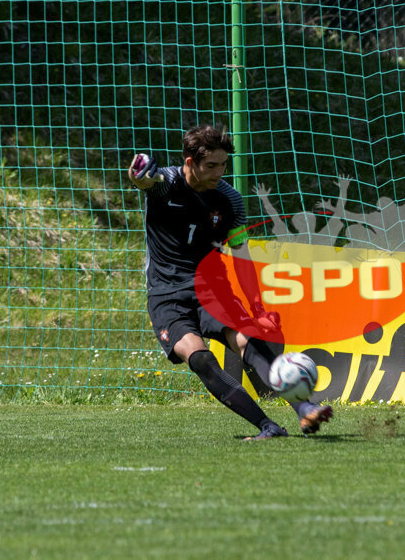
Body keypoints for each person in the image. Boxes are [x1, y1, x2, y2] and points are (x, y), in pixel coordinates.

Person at [129, 125, 334, 438]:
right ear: (189, 162)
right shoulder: (165, 184)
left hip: (211, 289)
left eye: (222, 165)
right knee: (197, 356)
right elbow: (144, 179)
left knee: (246, 341)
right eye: (210, 165)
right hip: (166, 293)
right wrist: (137, 173)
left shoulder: (231, 201)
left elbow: (242, 257)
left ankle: (305, 409)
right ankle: (267, 425)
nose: (218, 172)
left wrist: (257, 306)